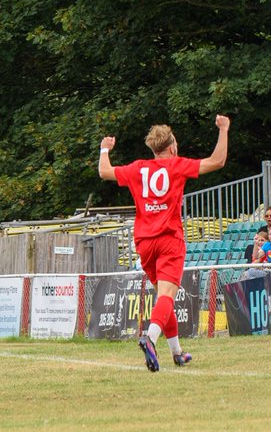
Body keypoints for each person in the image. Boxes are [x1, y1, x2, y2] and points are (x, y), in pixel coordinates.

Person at [98, 114, 229, 372]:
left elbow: (104, 171)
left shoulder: (137, 168)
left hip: (144, 242)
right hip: (169, 239)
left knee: (163, 297)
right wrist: (223, 129)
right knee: (168, 296)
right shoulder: (177, 165)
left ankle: (177, 353)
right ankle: (150, 338)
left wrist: (105, 148)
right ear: (172, 146)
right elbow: (218, 161)